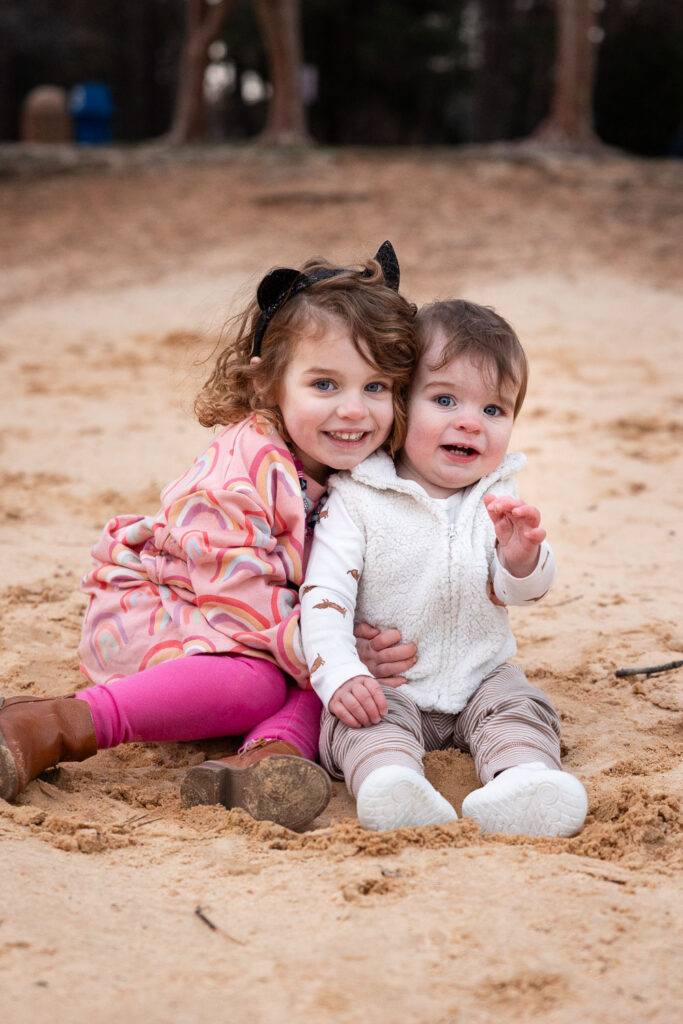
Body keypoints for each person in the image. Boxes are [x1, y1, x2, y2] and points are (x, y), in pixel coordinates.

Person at [0, 242, 420, 831]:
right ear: (269, 384)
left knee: (336, 682)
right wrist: (339, 642)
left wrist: (356, 650)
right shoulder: (239, 473)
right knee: (265, 682)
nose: (354, 411)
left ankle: (264, 759)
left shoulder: (367, 471)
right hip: (175, 612)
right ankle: (56, 725)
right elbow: (241, 611)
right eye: (325, 385)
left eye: (377, 387)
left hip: (279, 634)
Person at [301, 298, 588, 836]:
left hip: (483, 674)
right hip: (392, 683)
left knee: (522, 708)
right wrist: (340, 673)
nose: (469, 422)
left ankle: (524, 779)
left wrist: (522, 559)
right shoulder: (359, 496)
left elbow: (523, 593)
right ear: (403, 403)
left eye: (493, 410)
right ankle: (391, 784)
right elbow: (324, 597)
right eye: (445, 398)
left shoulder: (497, 493)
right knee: (360, 722)